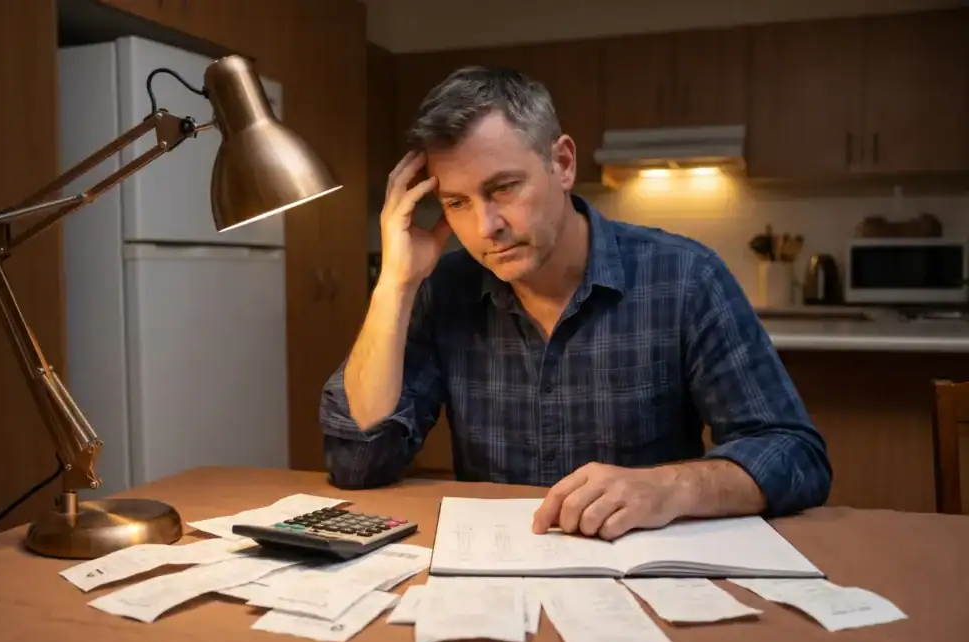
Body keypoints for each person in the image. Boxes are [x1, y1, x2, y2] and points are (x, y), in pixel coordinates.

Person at [319, 65, 831, 540]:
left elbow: (794, 453)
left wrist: (671, 488)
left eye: (504, 188)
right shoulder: (444, 288)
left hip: (644, 577)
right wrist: (396, 283)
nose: (485, 227)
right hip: (497, 577)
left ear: (562, 163)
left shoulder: (685, 278)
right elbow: (358, 462)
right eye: (456, 203)